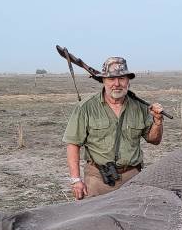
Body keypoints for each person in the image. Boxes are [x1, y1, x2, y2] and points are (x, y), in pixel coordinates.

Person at [62, 56, 165, 200]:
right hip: (97, 179)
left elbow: (154, 140)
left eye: (122, 78)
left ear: (128, 81)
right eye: (111, 79)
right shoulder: (85, 108)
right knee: (95, 220)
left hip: (133, 178)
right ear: (103, 80)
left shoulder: (140, 107)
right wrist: (76, 180)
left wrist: (158, 121)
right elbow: (73, 144)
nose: (117, 83)